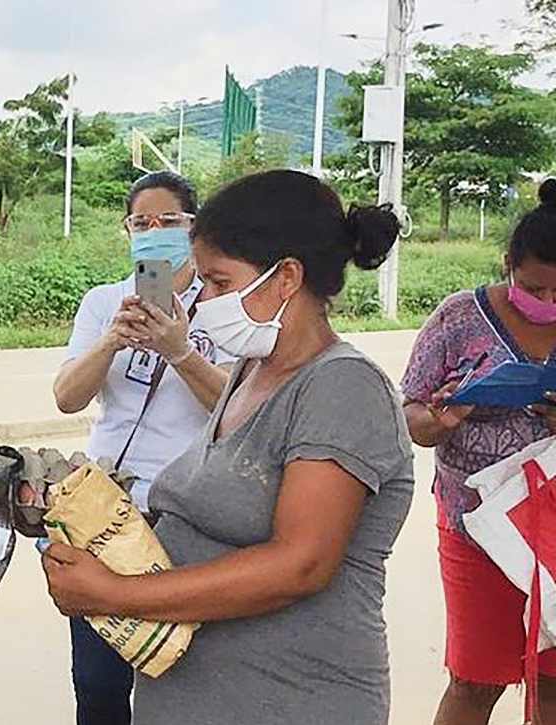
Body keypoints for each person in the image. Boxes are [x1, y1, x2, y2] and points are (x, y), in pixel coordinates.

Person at [42, 169, 415, 725]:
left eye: (217, 282)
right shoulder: (250, 370)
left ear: (286, 276)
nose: (205, 299)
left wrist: (114, 593)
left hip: (290, 700)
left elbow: (299, 564)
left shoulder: (342, 387)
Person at [51, 171, 233, 725]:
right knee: (99, 684)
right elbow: (66, 397)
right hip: (107, 516)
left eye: (169, 222)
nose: (154, 232)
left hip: (188, 517)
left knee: (182, 683)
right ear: (127, 231)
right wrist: (111, 339)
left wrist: (180, 352)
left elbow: (241, 410)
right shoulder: (104, 301)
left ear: (194, 229)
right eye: (141, 223)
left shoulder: (225, 307)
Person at [403, 179, 556, 725]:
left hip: (553, 531)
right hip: (475, 527)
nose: (547, 305)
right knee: (474, 682)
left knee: (552, 681)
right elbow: (412, 415)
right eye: (534, 288)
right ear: (507, 263)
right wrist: (438, 419)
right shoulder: (458, 318)